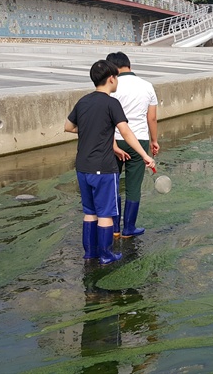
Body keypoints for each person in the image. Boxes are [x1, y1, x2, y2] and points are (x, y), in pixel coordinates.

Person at [65, 60, 155, 265]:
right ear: (111, 78)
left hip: (83, 167)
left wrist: (93, 129)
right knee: (105, 213)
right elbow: (126, 132)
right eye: (116, 78)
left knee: (90, 213)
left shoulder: (83, 101)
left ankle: (90, 254)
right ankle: (106, 254)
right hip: (103, 168)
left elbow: (68, 126)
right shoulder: (111, 103)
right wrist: (145, 155)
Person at [106, 52, 159, 238]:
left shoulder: (112, 86)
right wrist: (154, 140)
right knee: (133, 187)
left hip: (115, 141)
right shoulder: (147, 86)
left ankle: (113, 228)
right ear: (129, 65)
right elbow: (151, 117)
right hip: (140, 140)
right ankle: (129, 228)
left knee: (112, 184)